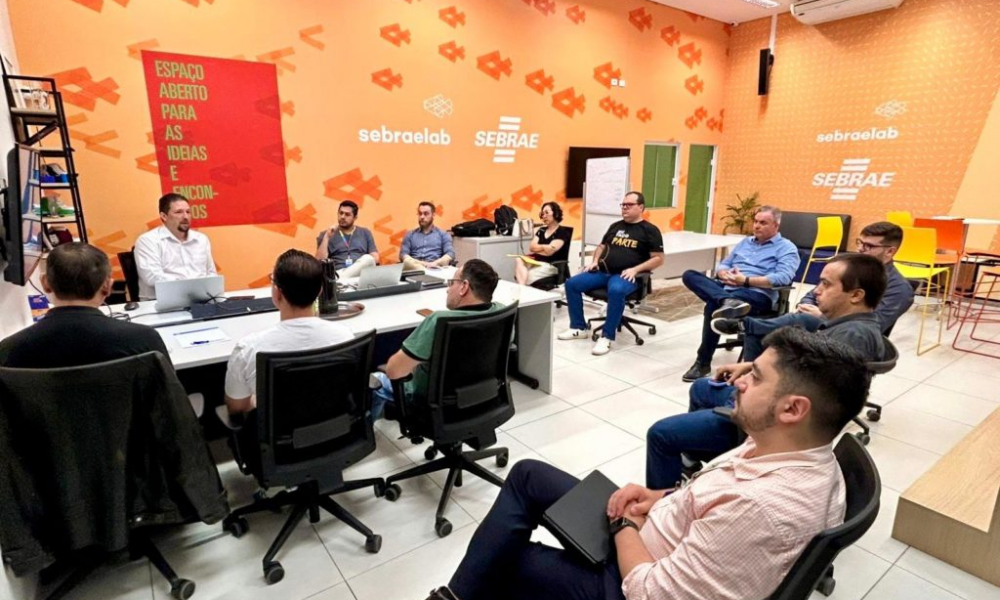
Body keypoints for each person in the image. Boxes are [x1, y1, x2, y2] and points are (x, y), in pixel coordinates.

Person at [424, 327, 869, 600]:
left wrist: (625, 528)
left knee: (503, 557)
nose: (739, 379)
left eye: (755, 377)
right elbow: (714, 495)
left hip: (632, 581)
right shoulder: (787, 447)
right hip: (658, 536)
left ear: (792, 408)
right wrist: (658, 497)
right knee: (527, 475)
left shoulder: (763, 508)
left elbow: (652, 593)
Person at [645, 252, 887, 490]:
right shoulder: (845, 326)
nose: (816, 291)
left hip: (769, 424)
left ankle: (661, 503)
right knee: (701, 388)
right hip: (771, 403)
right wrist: (751, 368)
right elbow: (809, 373)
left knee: (661, 434)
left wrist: (748, 393)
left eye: (826, 284)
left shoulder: (852, 337)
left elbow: (809, 402)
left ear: (856, 295)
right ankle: (696, 457)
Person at [712, 221, 914, 361]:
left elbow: (872, 326)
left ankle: (746, 327)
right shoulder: (851, 267)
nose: (861, 249)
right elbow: (816, 291)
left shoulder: (899, 289)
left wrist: (821, 315)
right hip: (823, 325)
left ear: (890, 251)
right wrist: (807, 304)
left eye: (869, 246)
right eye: (859, 243)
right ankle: (751, 383)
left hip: (846, 341)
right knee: (761, 334)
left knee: (782, 325)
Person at [224, 250, 354, 415]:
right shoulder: (345, 338)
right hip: (335, 427)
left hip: (277, 431)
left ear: (277, 292)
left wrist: (259, 400)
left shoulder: (248, 349)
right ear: (320, 291)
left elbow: (236, 407)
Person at [370, 259, 502, 420]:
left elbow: (393, 371)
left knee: (377, 380)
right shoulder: (502, 313)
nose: (447, 289)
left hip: (432, 403)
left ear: (464, 287)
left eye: (451, 283)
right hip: (483, 395)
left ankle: (366, 431)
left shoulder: (439, 320)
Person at [0, 242, 168, 367]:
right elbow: (168, 397)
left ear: (45, 283)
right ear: (108, 286)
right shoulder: (144, 339)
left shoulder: (9, 350)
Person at [680, 206, 800, 381]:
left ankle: (703, 362)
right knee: (689, 275)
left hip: (757, 294)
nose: (756, 226)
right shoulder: (745, 242)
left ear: (776, 225)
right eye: (756, 221)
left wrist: (745, 280)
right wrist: (723, 273)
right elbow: (724, 263)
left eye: (763, 223)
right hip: (728, 287)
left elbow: (783, 277)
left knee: (713, 305)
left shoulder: (787, 248)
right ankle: (727, 300)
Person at [558, 191, 664, 356]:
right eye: (623, 205)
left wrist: (635, 270)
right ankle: (578, 328)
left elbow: (658, 259)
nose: (625, 208)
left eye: (629, 205)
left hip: (626, 276)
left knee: (616, 290)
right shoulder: (615, 226)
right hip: (604, 272)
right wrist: (594, 261)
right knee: (572, 284)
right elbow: (602, 246)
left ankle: (607, 337)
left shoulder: (650, 230)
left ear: (641, 207)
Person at [134, 193, 217, 300]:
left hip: (200, 299)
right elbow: (152, 277)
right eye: (179, 212)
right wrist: (191, 287)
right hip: (160, 302)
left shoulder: (201, 239)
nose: (185, 217)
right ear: (164, 216)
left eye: (188, 212)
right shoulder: (148, 240)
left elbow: (211, 273)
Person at [315, 200, 380, 278]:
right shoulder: (326, 234)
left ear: (355, 217)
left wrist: (357, 266)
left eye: (347, 214)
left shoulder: (365, 232)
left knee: (368, 259)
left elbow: (375, 258)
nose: (343, 217)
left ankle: (341, 280)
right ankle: (341, 279)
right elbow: (319, 262)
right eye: (341, 213)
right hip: (338, 271)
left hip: (360, 274)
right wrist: (327, 237)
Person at [514, 201, 572, 286]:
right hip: (538, 260)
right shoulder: (541, 230)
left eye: (547, 213)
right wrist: (545, 247)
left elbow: (550, 252)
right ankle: (522, 287)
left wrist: (539, 249)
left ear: (556, 214)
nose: (544, 216)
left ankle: (522, 287)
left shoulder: (562, 231)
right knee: (518, 259)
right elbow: (532, 247)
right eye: (542, 214)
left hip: (551, 264)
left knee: (527, 275)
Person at [400, 201, 455, 272]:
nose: (422, 217)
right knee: (407, 261)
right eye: (420, 214)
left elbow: (450, 254)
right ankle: (423, 269)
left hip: (435, 268)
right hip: (414, 269)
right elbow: (403, 255)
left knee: (447, 260)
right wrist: (423, 264)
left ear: (433, 215)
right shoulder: (410, 234)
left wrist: (435, 263)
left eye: (426, 214)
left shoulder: (443, 234)